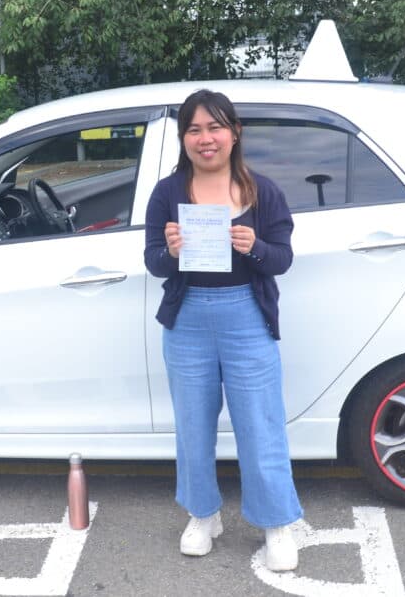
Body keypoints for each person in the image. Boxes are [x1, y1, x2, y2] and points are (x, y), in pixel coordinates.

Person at [144, 89, 303, 572]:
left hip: (247, 318)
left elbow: (282, 258)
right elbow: (153, 262)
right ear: (183, 138)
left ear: (235, 133)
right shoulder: (168, 193)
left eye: (215, 127)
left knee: (260, 424)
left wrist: (254, 246)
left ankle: (275, 523)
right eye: (194, 129)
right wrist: (169, 253)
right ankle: (203, 514)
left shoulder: (263, 191)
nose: (205, 138)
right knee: (193, 427)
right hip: (187, 319)